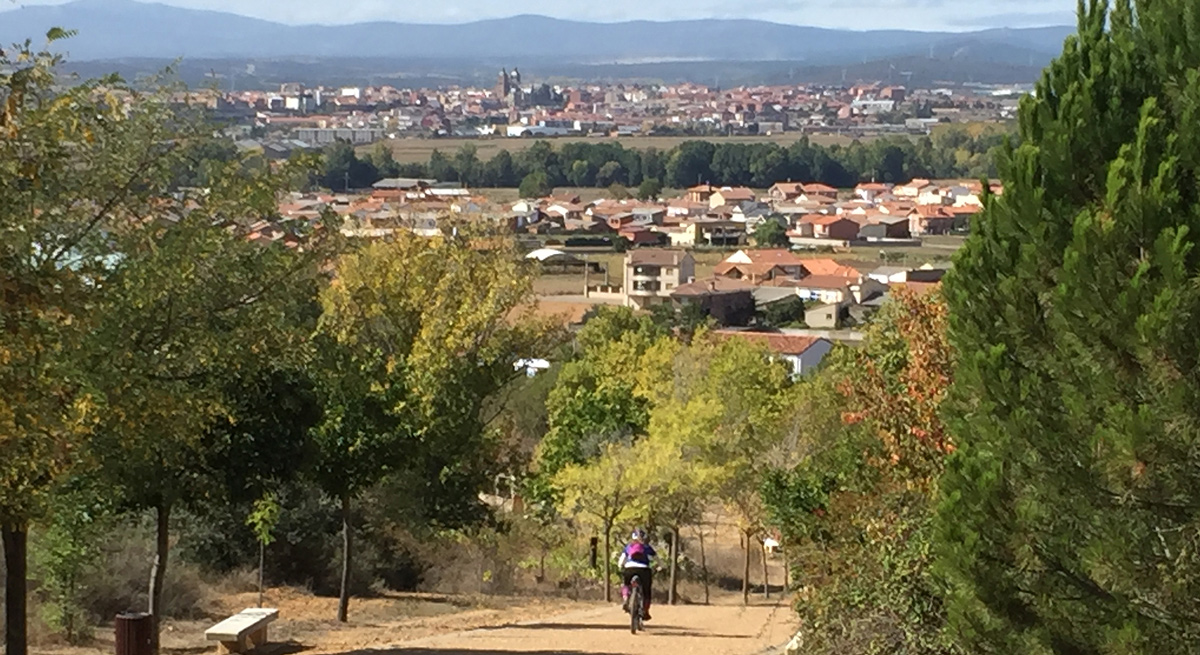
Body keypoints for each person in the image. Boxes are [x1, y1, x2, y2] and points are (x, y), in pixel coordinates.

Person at [618, 527, 657, 620]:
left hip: (629, 569)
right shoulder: (647, 547)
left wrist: (621, 567)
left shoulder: (628, 547)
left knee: (626, 584)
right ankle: (645, 611)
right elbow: (657, 559)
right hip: (644, 570)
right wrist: (661, 566)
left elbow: (621, 561)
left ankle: (626, 597)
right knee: (646, 591)